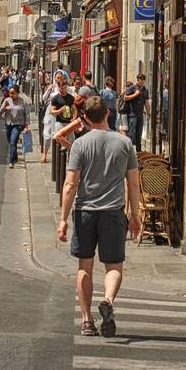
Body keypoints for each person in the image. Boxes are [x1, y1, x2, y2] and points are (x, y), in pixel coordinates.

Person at [57, 95, 141, 337]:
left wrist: (63, 219)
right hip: (113, 212)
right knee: (114, 266)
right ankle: (108, 301)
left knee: (85, 266)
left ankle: (86, 320)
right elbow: (134, 184)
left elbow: (70, 184)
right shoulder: (125, 143)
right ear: (108, 114)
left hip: (85, 211)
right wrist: (134, 214)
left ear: (86, 118)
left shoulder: (81, 144)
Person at [0, 84, 30, 170]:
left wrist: (26, 126)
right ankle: (15, 157)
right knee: (11, 142)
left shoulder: (23, 102)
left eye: (13, 93)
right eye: (10, 93)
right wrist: (4, 108)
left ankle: (11, 161)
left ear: (18, 93)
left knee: (13, 141)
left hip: (19, 124)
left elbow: (27, 115)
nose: (11, 95)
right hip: (8, 124)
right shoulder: (7, 100)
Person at [123, 74, 149, 147]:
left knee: (139, 133)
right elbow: (125, 97)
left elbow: (146, 102)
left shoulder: (145, 90)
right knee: (131, 133)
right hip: (132, 114)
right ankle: (130, 149)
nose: (142, 83)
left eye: (143, 81)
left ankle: (138, 150)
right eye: (140, 81)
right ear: (137, 80)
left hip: (140, 115)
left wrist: (148, 113)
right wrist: (135, 94)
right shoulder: (132, 88)